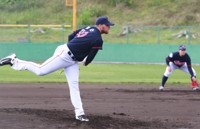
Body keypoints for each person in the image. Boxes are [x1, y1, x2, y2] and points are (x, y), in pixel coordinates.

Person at [0, 16, 114, 121]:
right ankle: (13, 61)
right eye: (107, 25)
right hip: (64, 55)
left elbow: (71, 36)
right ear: (101, 25)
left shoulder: (89, 28)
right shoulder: (98, 39)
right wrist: (82, 58)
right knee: (41, 71)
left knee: (74, 85)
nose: (109, 27)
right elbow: (89, 60)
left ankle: (79, 114)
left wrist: (75, 47)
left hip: (71, 58)